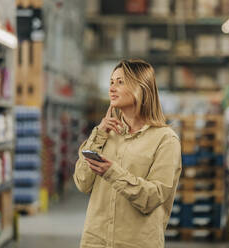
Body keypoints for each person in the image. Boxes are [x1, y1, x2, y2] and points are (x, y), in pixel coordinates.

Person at [73, 59, 182, 248]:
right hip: (95, 241)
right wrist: (98, 134)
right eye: (111, 82)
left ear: (142, 88)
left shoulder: (165, 140)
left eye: (120, 82)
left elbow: (153, 197)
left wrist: (112, 172)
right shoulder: (105, 134)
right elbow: (82, 182)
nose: (112, 88)